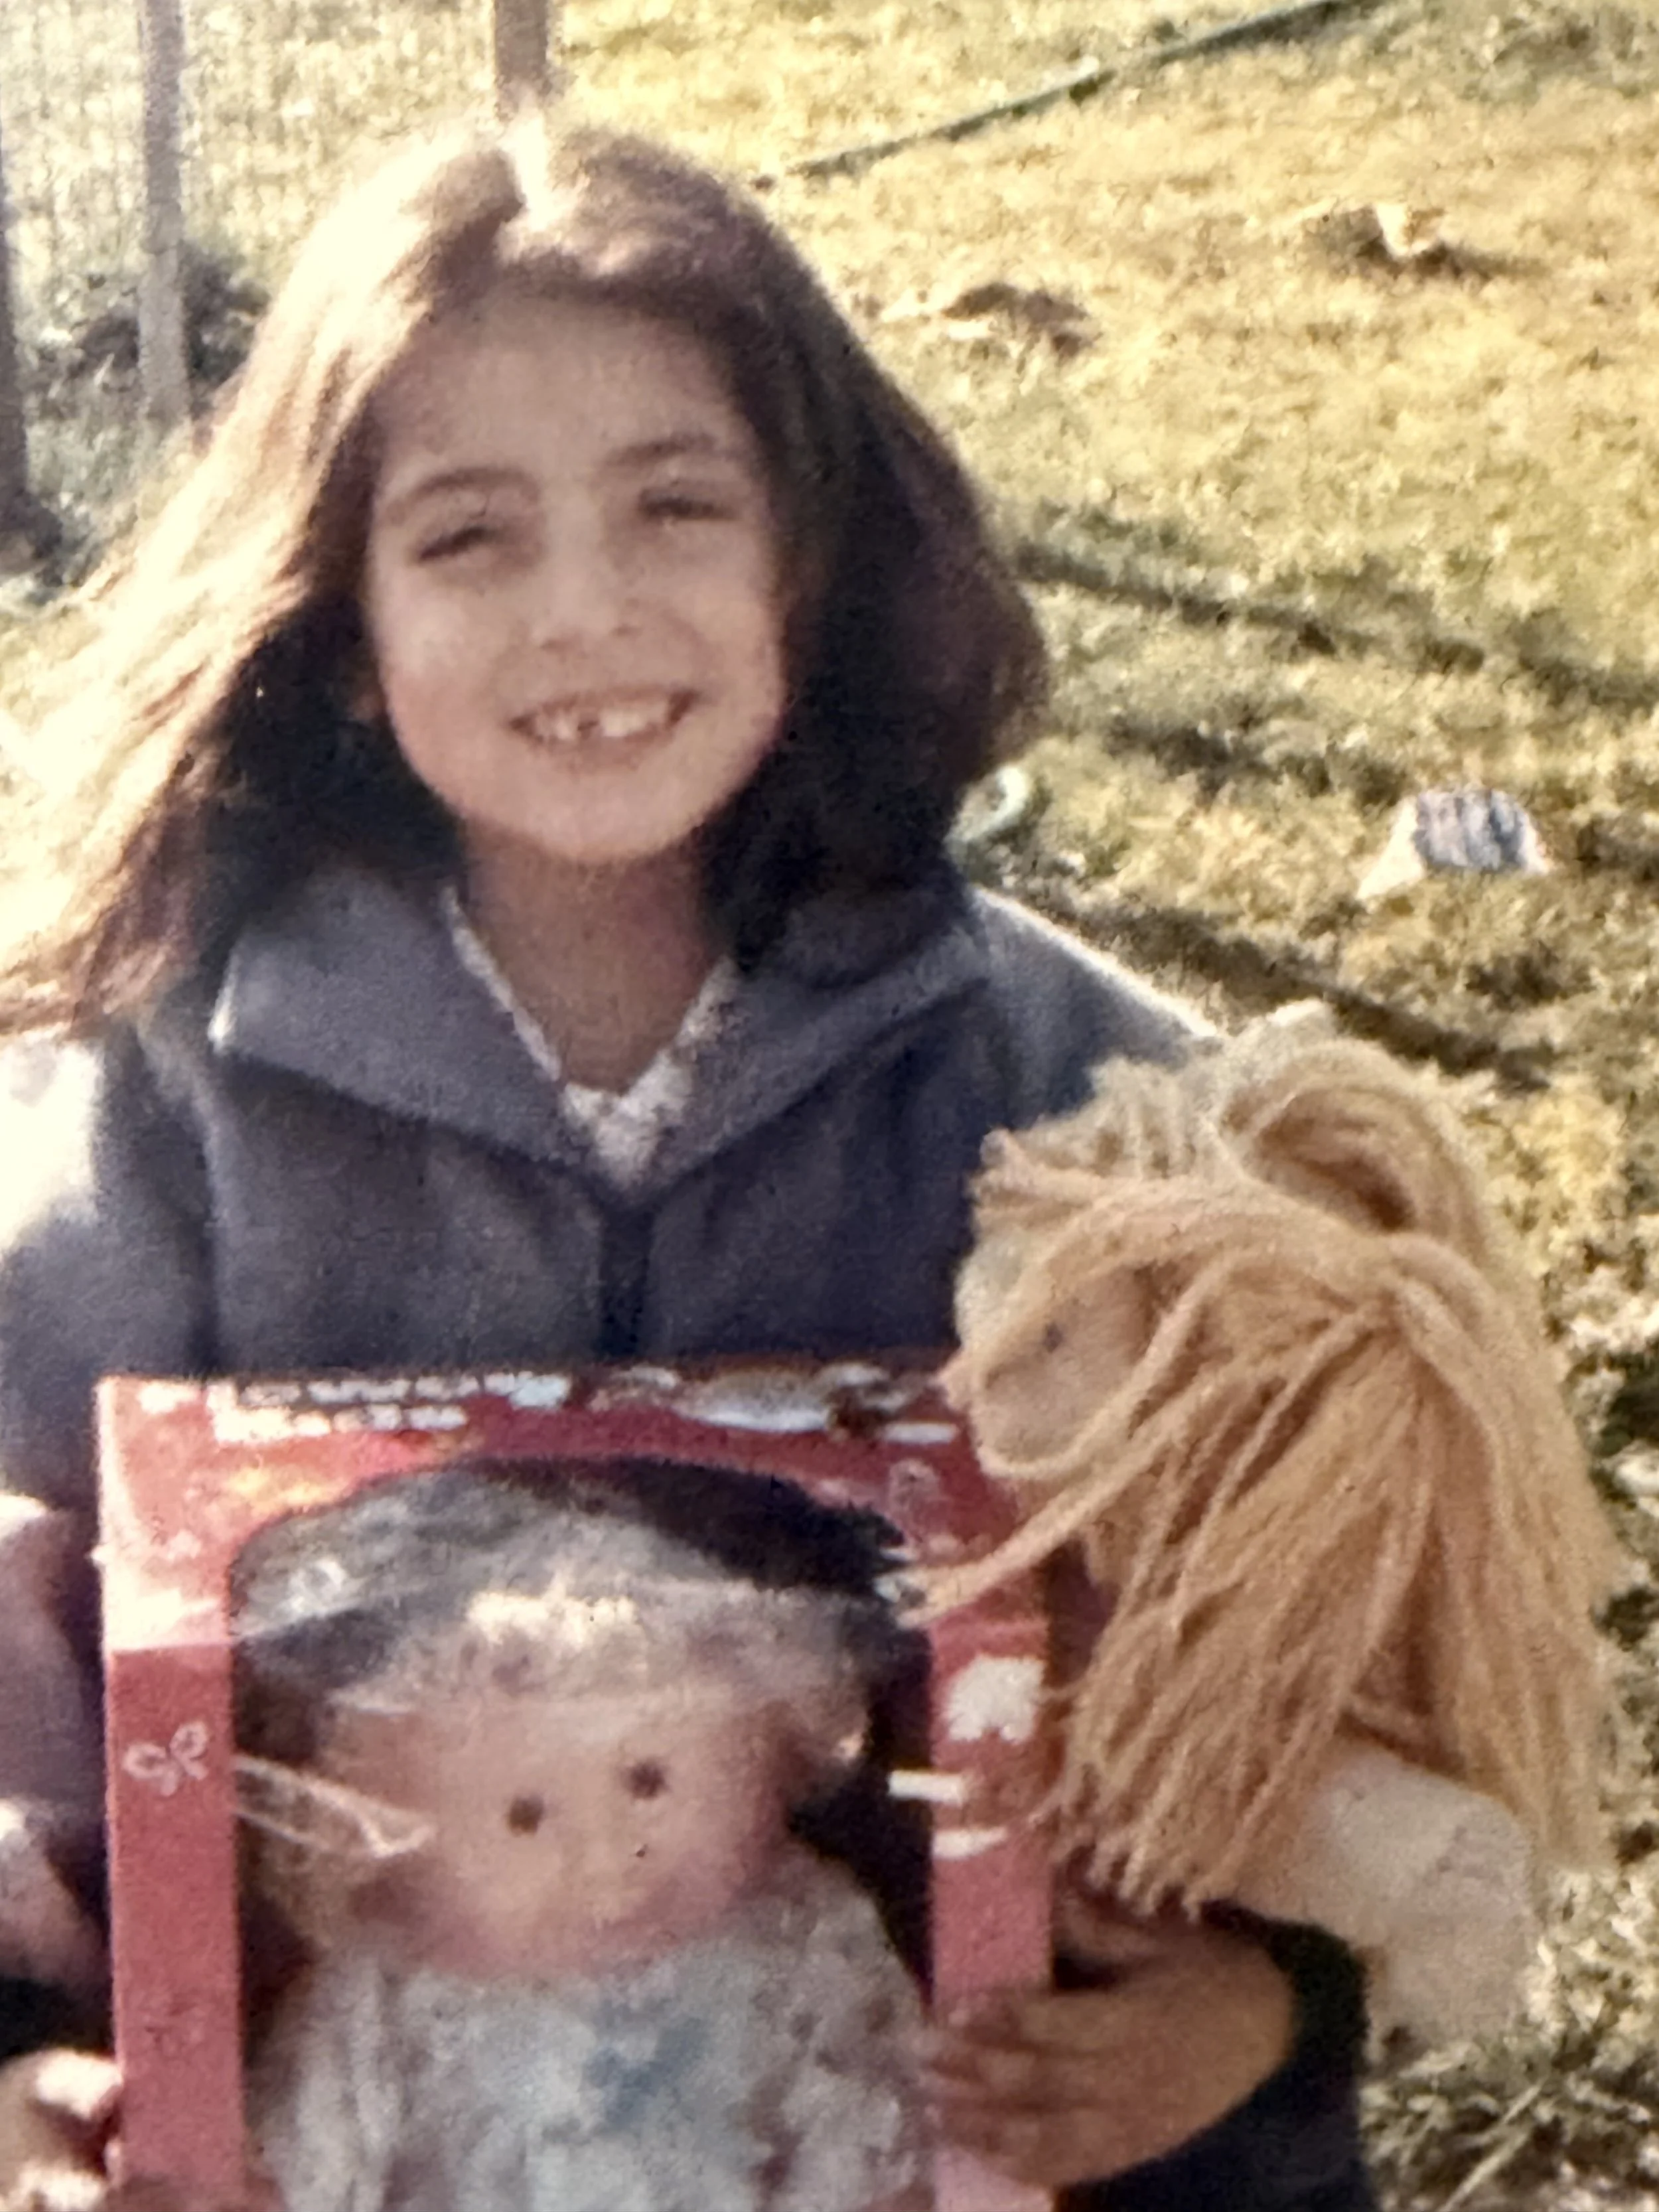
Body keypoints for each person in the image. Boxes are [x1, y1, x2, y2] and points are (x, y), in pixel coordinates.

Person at [0, 112, 1360, 2209]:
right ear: (343, 620)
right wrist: (28, 2052)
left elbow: (1304, 1654)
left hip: (893, 2121)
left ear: (802, 563)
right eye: (466, 535)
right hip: (357, 2122)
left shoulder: (1075, 1101)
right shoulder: (176, 1093)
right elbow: (18, 1587)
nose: (586, 611)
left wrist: (1256, 2010)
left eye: (674, 504)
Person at [234, 1463, 928, 2212]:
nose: (609, 1857)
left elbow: (866, 2129)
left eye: (648, 1781)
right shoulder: (384, 1993)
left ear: (769, 1748)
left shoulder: (802, 1936)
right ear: (401, 1850)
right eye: (526, 1816)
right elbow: (303, 2172)